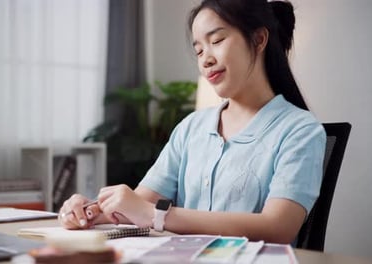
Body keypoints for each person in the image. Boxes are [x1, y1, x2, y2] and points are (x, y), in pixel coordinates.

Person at [59, 0, 326, 244]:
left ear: (258, 39)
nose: (206, 59)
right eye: (198, 51)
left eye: (217, 40)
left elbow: (278, 227)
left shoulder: (300, 130)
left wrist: (156, 216)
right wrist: (90, 211)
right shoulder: (191, 127)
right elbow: (140, 203)